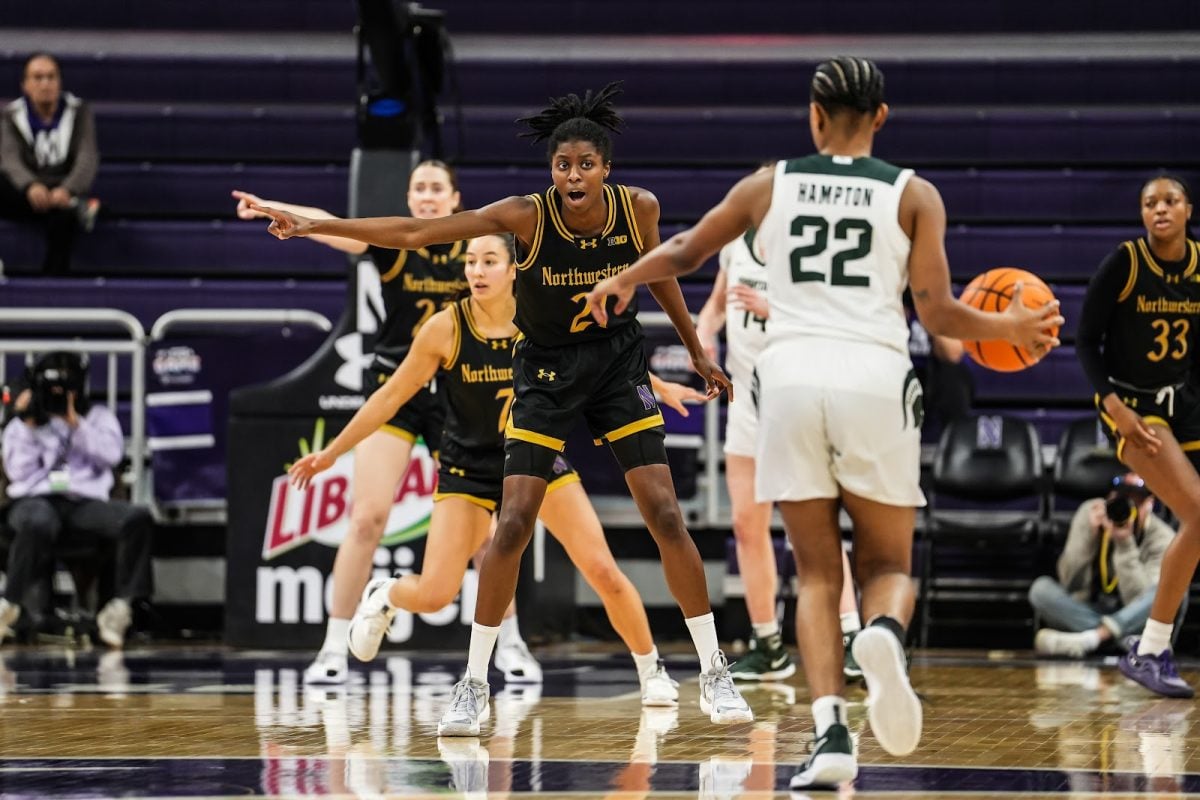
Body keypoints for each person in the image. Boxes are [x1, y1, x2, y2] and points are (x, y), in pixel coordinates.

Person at [584, 57, 1061, 788]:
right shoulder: (914, 194)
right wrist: (1017, 325)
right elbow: (936, 313)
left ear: (813, 115)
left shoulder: (769, 182)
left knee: (813, 572)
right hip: (873, 375)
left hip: (790, 377)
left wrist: (619, 279)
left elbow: (685, 250)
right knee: (888, 566)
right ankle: (881, 634)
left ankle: (833, 731)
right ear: (881, 117)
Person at [251, 82, 755, 734]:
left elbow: (662, 277)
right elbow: (413, 230)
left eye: (585, 164)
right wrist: (315, 224)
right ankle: (472, 683)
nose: (572, 175)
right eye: (562, 164)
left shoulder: (639, 210)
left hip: (616, 366)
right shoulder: (524, 216)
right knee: (513, 522)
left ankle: (712, 671)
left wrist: (693, 350)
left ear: (606, 168)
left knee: (662, 509)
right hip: (543, 374)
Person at [289, 233, 706, 707]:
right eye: (470, 261)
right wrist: (330, 454)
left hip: (535, 459)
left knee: (601, 567)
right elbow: (388, 398)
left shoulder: (544, 321)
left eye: (489, 261)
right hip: (469, 467)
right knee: (434, 594)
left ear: (514, 270)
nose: (476, 271)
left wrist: (654, 385)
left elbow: (601, 362)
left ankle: (651, 671)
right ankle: (386, 594)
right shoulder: (444, 328)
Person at [235, 161, 540, 686]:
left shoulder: (477, 249)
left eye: (435, 188)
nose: (426, 196)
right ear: (409, 197)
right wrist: (285, 213)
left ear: (454, 198)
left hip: (458, 391)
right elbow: (333, 223)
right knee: (367, 518)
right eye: (418, 187)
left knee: (485, 534)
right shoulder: (396, 242)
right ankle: (333, 646)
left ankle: (508, 642)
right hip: (398, 385)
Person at [694, 222, 863, 683]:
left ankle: (851, 637)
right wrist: (704, 333)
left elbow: (839, 324)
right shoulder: (735, 248)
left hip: (797, 397)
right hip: (747, 402)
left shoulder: (807, 251)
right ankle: (767, 643)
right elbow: (713, 308)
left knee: (812, 525)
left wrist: (774, 310)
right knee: (748, 526)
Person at [1075, 174, 1200, 698]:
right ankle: (1149, 647)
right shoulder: (1126, 263)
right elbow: (1083, 341)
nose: (1160, 210)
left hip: (1183, 401)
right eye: (1150, 203)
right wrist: (1115, 408)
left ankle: (1150, 647)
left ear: (1187, 209)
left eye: (1169, 201)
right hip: (1132, 406)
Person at [0, 352, 153, 647]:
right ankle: (9, 604)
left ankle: (120, 608)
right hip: (35, 500)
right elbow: (18, 471)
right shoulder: (22, 424)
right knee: (39, 520)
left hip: (83, 505)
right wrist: (31, 426)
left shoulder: (97, 417)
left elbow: (111, 455)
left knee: (138, 517)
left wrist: (75, 424)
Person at [1031, 473, 1177, 658]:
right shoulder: (1091, 512)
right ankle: (1127, 642)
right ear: (1110, 497)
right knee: (1040, 589)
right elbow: (1068, 581)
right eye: (1121, 499)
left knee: (1169, 591)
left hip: (1134, 616)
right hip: (1089, 607)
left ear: (1150, 504)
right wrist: (1088, 539)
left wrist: (1125, 544)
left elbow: (1142, 600)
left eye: (1135, 502)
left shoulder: (1162, 538)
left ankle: (1092, 640)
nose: (1126, 508)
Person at [0, 53, 100, 275]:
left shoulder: (79, 112)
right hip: (25, 193)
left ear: (59, 82)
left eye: (50, 77)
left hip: (62, 192)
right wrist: (30, 185)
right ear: (25, 85)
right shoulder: (10, 116)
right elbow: (9, 158)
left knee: (64, 218)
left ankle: (53, 284)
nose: (45, 84)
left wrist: (67, 189)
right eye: (37, 77)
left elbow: (87, 157)